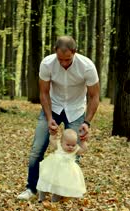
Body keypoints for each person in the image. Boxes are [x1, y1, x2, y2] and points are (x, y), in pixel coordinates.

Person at [17, 36, 100, 200]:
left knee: (72, 153)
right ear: (55, 51)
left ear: (74, 52)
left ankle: (67, 190)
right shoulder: (47, 64)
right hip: (53, 106)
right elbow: (43, 93)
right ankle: (31, 189)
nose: (63, 63)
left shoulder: (87, 67)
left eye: (67, 59)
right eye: (60, 59)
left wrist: (87, 122)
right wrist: (49, 118)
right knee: (37, 149)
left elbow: (94, 95)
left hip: (76, 109)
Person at [36, 129, 87, 202]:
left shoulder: (75, 150)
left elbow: (84, 149)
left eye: (73, 145)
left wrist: (83, 141)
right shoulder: (59, 146)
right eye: (68, 145)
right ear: (61, 142)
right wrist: (53, 134)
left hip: (65, 173)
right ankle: (41, 197)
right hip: (54, 168)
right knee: (45, 181)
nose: (71, 147)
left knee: (59, 186)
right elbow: (52, 140)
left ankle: (55, 200)